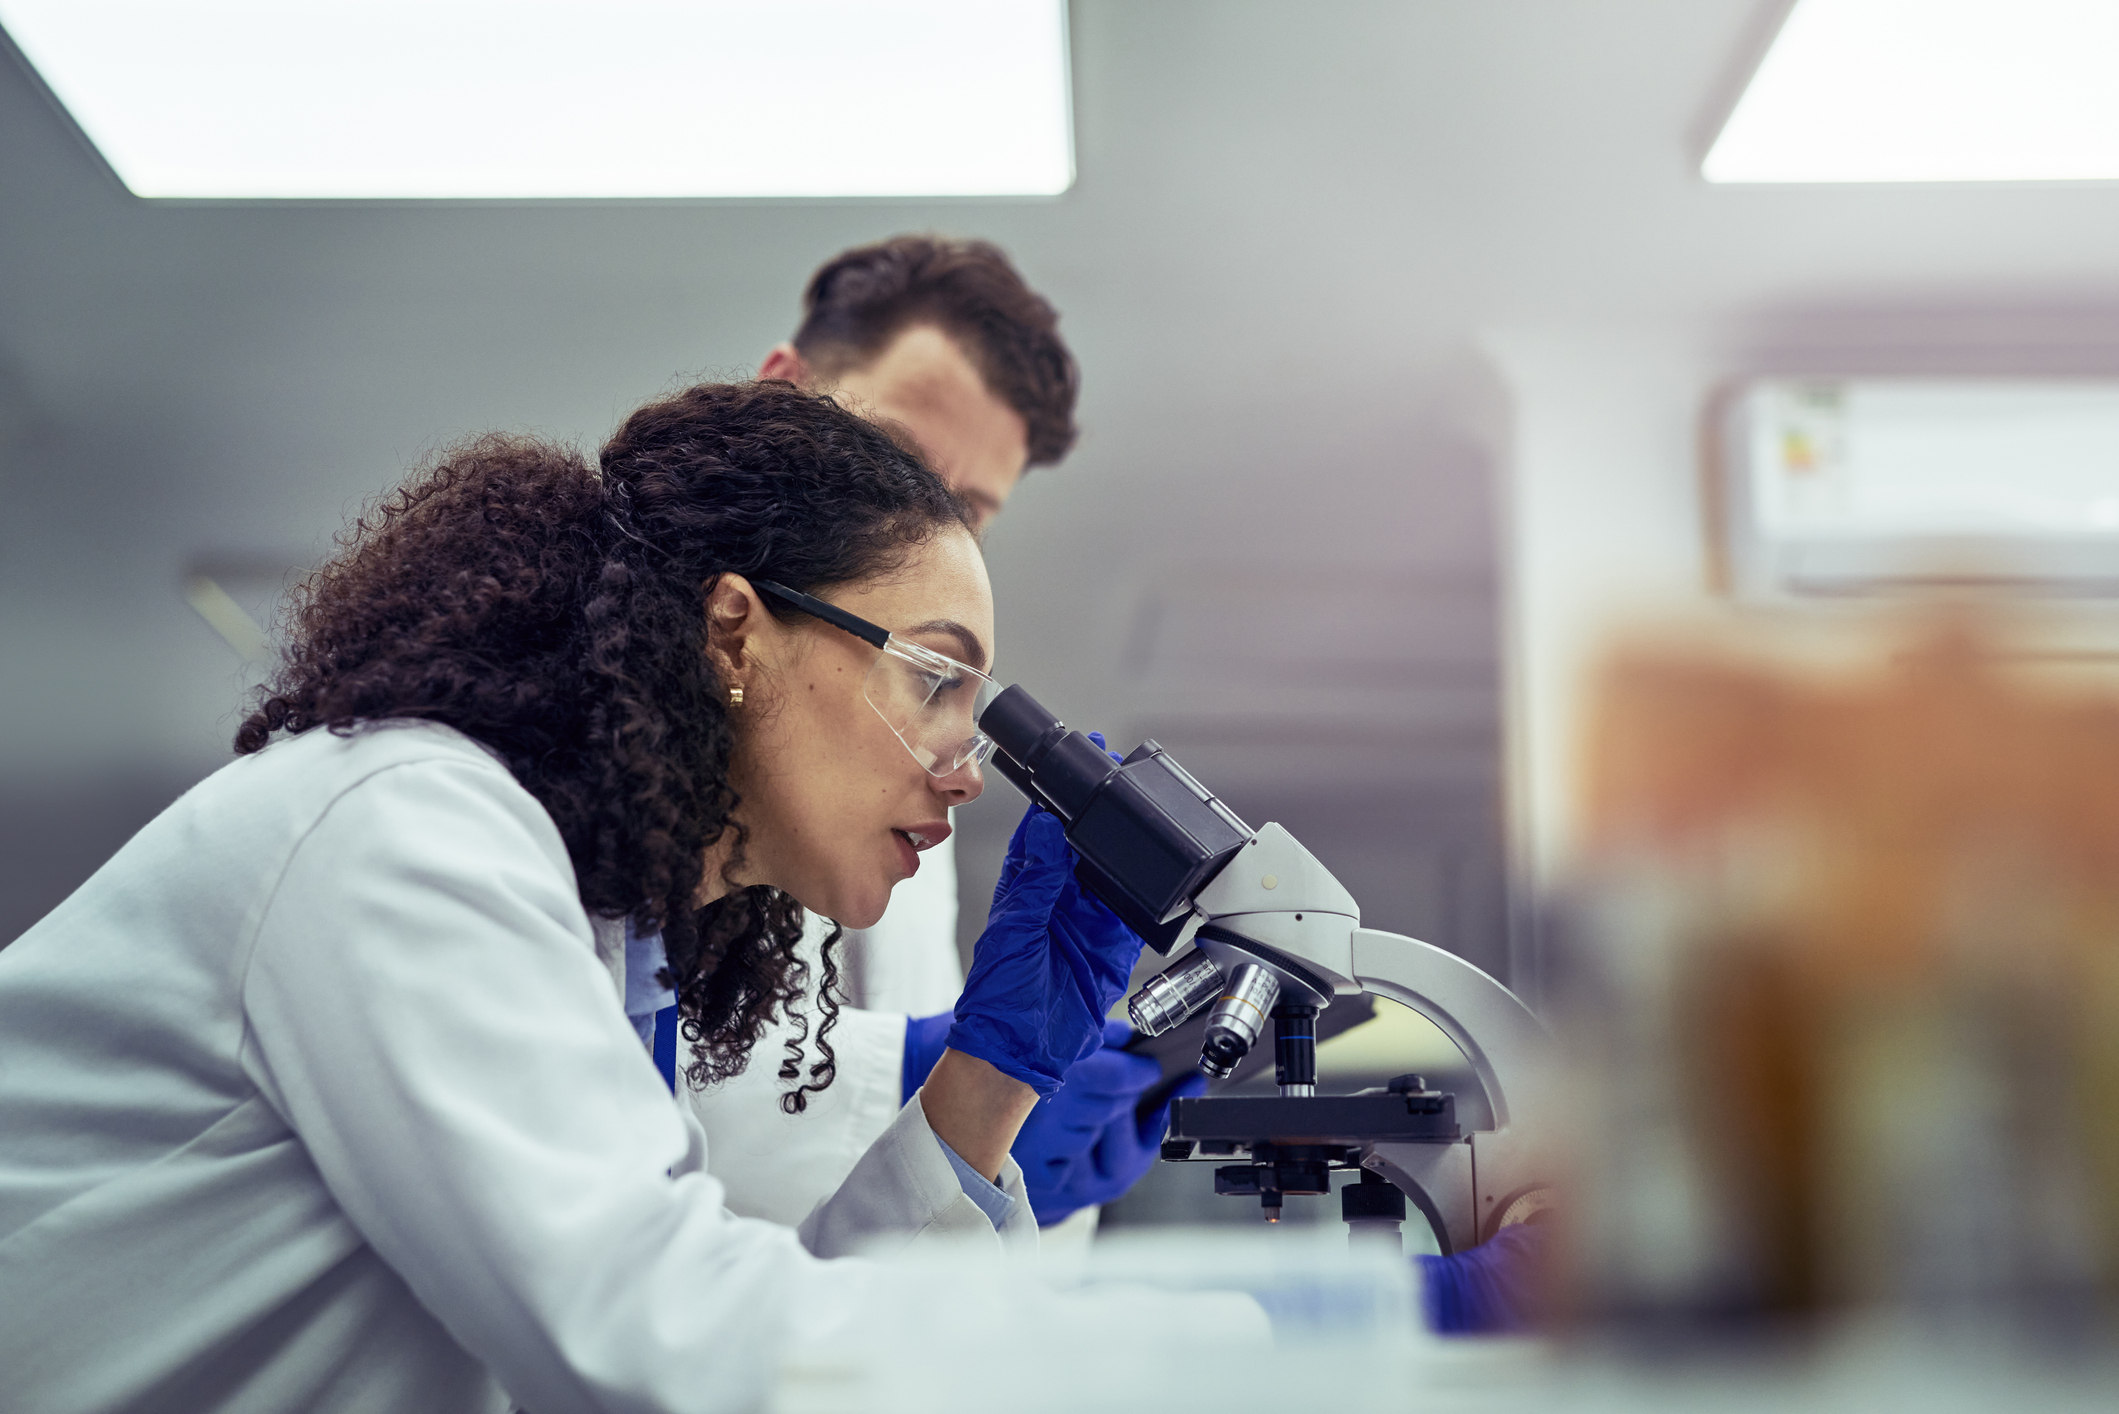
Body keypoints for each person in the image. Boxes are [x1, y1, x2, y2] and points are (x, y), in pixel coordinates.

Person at [0, 381, 1169, 1411]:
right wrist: (1176, 1360)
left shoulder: (619, 944)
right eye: (933, 677)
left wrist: (988, 1084)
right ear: (734, 634)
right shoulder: (406, 834)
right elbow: (652, 1338)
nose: (965, 771)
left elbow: (702, 1330)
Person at [662, 235, 1193, 1237]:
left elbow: (871, 1256)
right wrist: (910, 1074)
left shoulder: (894, 790)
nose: (919, 522)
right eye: (898, 457)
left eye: (963, 508)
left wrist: (994, 1105)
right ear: (780, 394)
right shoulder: (516, 803)